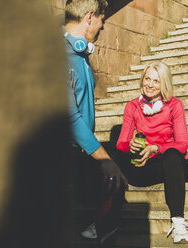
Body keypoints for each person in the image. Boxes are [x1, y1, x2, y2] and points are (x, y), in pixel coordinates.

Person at [63, 0, 128, 246]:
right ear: (89, 17)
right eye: (102, 21)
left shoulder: (79, 54)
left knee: (115, 178)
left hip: (74, 152)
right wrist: (104, 160)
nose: (102, 28)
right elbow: (69, 117)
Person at [115, 61, 188, 244]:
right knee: (111, 157)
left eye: (156, 81)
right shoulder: (132, 106)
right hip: (148, 165)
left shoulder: (175, 105)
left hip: (177, 165)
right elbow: (121, 143)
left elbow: (182, 144)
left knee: (172, 155)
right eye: (147, 79)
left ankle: (178, 223)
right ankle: (103, 221)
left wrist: (156, 148)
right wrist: (130, 145)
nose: (150, 84)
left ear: (164, 84)